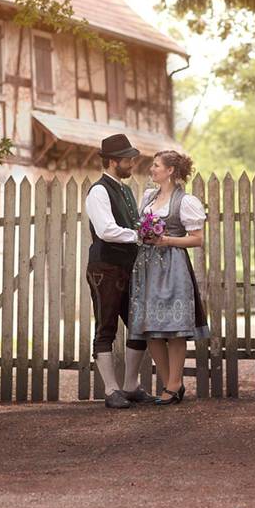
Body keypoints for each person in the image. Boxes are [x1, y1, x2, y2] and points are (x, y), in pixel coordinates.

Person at [129, 150, 209, 405]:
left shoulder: (185, 201)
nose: (151, 170)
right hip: (147, 268)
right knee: (151, 330)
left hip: (173, 266)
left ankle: (174, 384)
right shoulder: (148, 198)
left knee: (174, 330)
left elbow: (197, 239)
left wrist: (167, 240)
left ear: (170, 170)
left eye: (156, 166)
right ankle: (170, 383)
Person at [84, 134, 157, 409]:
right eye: (127, 159)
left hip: (128, 267)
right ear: (113, 161)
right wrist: (139, 235)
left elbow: (130, 225)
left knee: (138, 327)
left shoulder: (126, 191)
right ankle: (111, 390)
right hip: (105, 268)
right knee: (106, 328)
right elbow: (106, 231)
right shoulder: (99, 191)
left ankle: (131, 386)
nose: (132, 163)